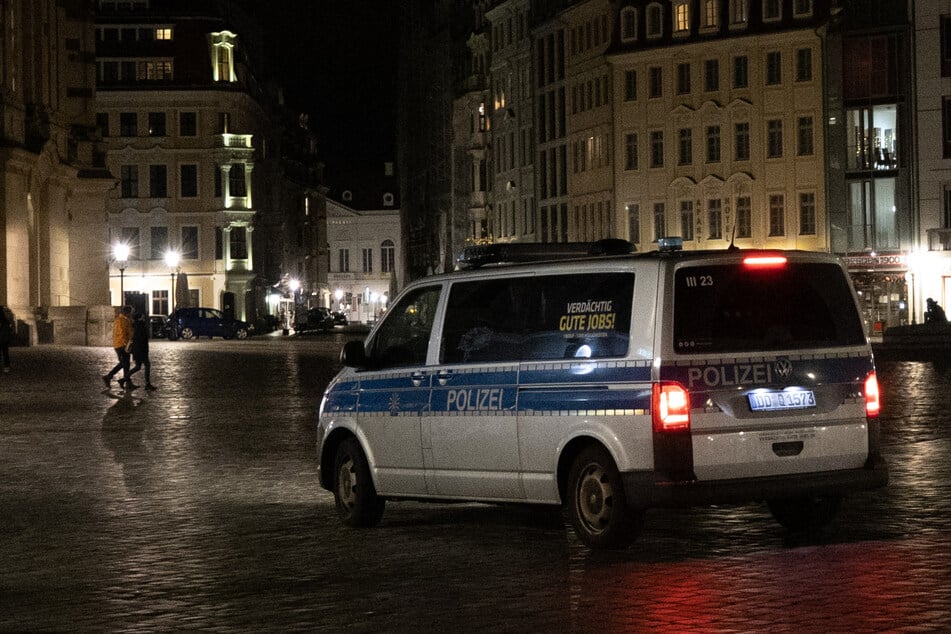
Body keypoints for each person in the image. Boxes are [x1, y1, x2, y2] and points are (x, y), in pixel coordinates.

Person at [102, 305, 137, 390]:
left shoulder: (125, 320)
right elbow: (122, 334)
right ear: (126, 312)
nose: (131, 314)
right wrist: (127, 345)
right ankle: (114, 378)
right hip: (121, 345)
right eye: (130, 313)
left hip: (121, 344)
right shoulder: (121, 321)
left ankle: (124, 381)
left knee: (125, 364)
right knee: (125, 364)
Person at [127, 311, 156, 390]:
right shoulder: (140, 326)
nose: (144, 317)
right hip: (141, 351)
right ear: (139, 318)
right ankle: (147, 384)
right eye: (142, 316)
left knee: (138, 366)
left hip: (137, 350)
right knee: (147, 365)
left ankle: (125, 377)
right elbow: (141, 340)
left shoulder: (137, 325)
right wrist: (144, 351)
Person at [0, 305, 13, 373]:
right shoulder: (6, 320)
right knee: (5, 352)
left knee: (5, 352)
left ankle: (6, 366)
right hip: (4, 338)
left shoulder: (5, 320)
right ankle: (6, 366)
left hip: (3, 338)